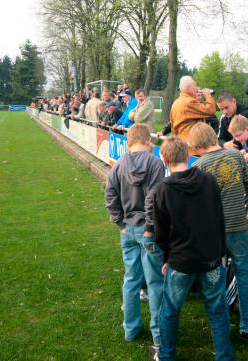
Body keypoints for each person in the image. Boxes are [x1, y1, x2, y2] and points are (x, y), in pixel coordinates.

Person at [152, 136, 236, 361]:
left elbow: (161, 233)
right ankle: (222, 356)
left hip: (195, 260)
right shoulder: (166, 189)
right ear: (188, 155)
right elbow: (219, 220)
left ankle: (167, 355)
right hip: (199, 258)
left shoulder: (207, 181)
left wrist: (220, 254)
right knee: (216, 311)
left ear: (164, 159)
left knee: (170, 311)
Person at [188, 122, 248, 339]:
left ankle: (220, 324)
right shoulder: (236, 156)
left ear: (196, 144)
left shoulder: (198, 167)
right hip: (238, 226)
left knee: (215, 278)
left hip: (214, 233)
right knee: (244, 275)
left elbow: (196, 206)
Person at [104, 124, 165, 349]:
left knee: (132, 280)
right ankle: (153, 333)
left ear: (129, 141)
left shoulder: (119, 164)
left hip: (132, 229)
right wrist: (145, 226)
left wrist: (120, 221)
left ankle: (133, 329)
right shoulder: (154, 162)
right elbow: (153, 198)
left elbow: (110, 195)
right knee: (154, 282)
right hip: (140, 229)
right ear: (148, 141)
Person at [170, 76, 216, 142]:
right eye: (195, 86)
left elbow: (172, 125)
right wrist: (208, 95)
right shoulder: (189, 102)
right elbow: (210, 110)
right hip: (192, 144)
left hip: (180, 142)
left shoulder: (176, 102)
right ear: (189, 87)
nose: (196, 88)